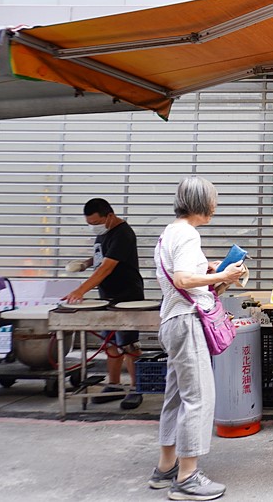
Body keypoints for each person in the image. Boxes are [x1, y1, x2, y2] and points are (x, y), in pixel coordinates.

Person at [149, 176, 245, 501]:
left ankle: (165, 468)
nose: (215, 206)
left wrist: (216, 273)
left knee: (176, 397)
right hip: (187, 323)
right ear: (202, 202)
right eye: (213, 200)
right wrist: (224, 275)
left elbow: (183, 277)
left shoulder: (169, 234)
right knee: (199, 397)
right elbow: (184, 278)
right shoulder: (188, 233)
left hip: (172, 321)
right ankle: (187, 477)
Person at [63, 198, 145, 409]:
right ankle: (115, 385)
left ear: (109, 215)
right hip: (107, 294)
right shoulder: (104, 233)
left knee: (128, 343)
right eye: (89, 223)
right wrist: (84, 264)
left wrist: (80, 290)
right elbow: (101, 257)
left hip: (127, 296)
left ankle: (137, 389)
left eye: (95, 222)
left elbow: (107, 267)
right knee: (111, 342)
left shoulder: (123, 234)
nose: (93, 227)